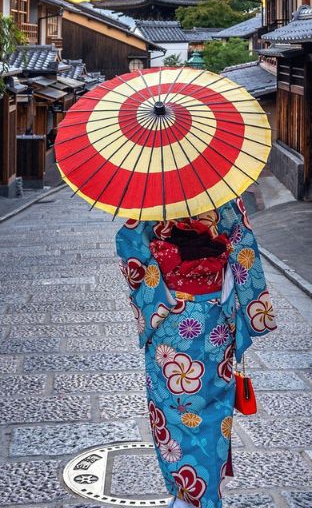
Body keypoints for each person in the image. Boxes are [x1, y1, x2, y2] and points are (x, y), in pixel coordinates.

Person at [115, 197, 277, 508]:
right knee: (213, 408)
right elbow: (244, 246)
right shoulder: (223, 191)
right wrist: (253, 308)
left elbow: (130, 249)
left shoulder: (148, 196)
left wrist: (157, 286)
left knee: (172, 406)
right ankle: (207, 493)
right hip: (215, 316)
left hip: (169, 316)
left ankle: (185, 494)